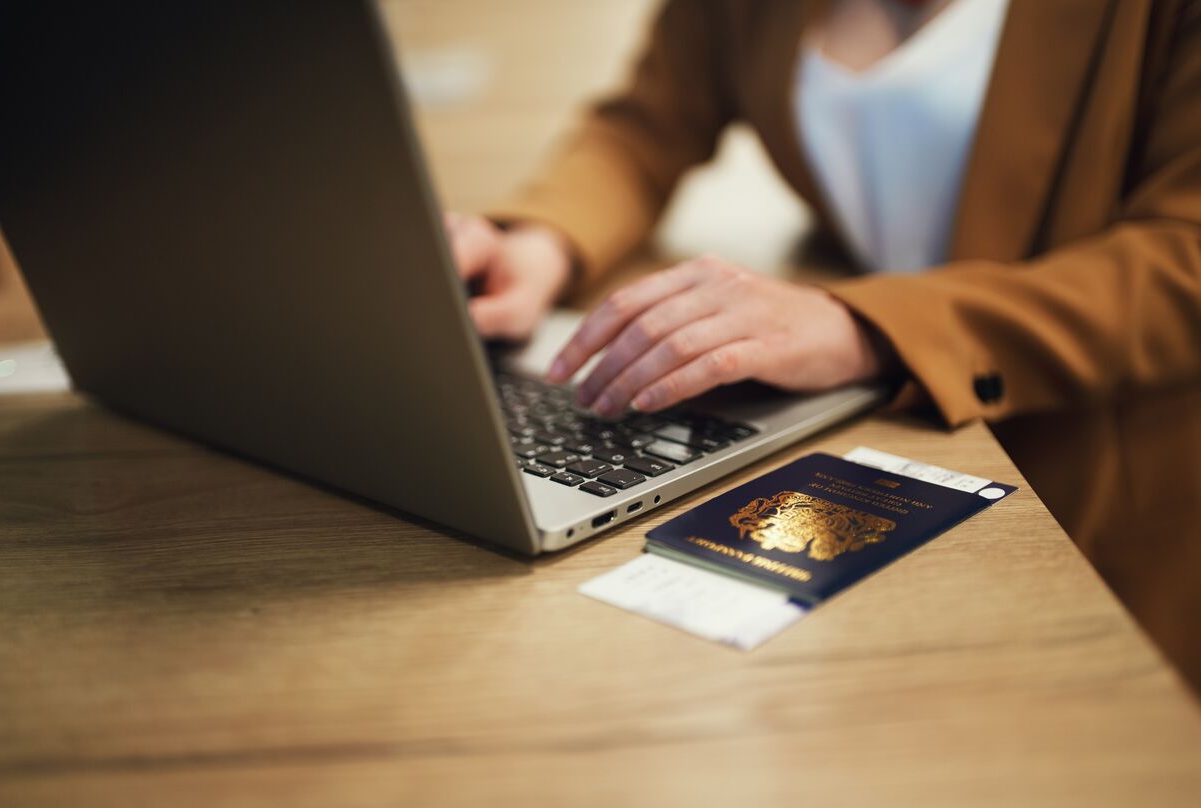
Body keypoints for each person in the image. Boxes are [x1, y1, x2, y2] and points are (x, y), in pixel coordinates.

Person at [443, 0, 1201, 690]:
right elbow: (649, 122)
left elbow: (1184, 256)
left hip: (1102, 474)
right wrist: (543, 240)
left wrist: (863, 324)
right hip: (893, 428)